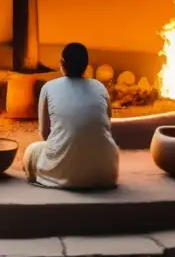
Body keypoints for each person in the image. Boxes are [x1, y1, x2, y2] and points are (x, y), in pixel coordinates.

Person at [22, 42, 119, 189]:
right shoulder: (100, 87)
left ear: (62, 63)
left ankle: (57, 174)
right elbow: (106, 127)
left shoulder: (48, 88)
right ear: (86, 66)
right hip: (106, 172)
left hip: (65, 174)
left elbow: (45, 133)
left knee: (32, 151)